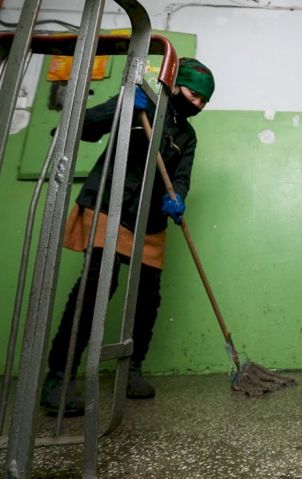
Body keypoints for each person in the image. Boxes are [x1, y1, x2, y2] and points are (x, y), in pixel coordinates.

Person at [41, 57, 215, 415]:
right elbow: (82, 127)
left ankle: (132, 369)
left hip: (150, 219)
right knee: (95, 287)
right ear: (174, 84)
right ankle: (59, 375)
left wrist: (178, 196)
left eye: (203, 100)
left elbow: (181, 175)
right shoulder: (141, 103)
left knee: (148, 297)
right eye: (193, 94)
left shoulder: (188, 135)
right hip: (111, 204)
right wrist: (120, 107)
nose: (197, 103)